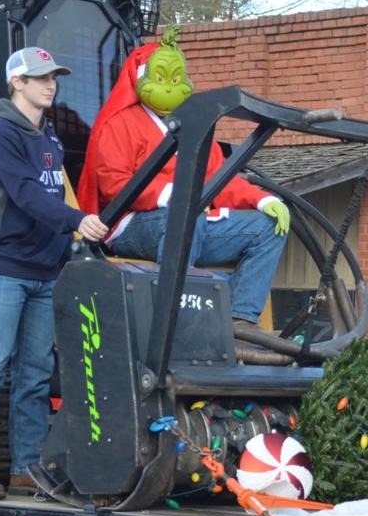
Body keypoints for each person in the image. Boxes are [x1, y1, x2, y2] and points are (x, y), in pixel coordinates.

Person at [0, 47, 110, 500]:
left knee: (36, 374)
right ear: (16, 82)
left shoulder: (50, 137)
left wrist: (69, 245)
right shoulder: (0, 134)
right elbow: (25, 194)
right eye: (40, 77)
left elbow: (51, 197)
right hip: (2, 270)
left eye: (53, 77)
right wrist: (75, 220)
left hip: (45, 273)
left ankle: (27, 469)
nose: (51, 84)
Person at [76, 27, 289, 329]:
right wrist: (172, 196)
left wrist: (263, 200)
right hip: (133, 226)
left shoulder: (195, 126)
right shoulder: (120, 123)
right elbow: (114, 185)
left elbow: (220, 180)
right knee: (186, 215)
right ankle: (177, 321)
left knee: (269, 227)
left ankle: (240, 322)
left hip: (191, 222)